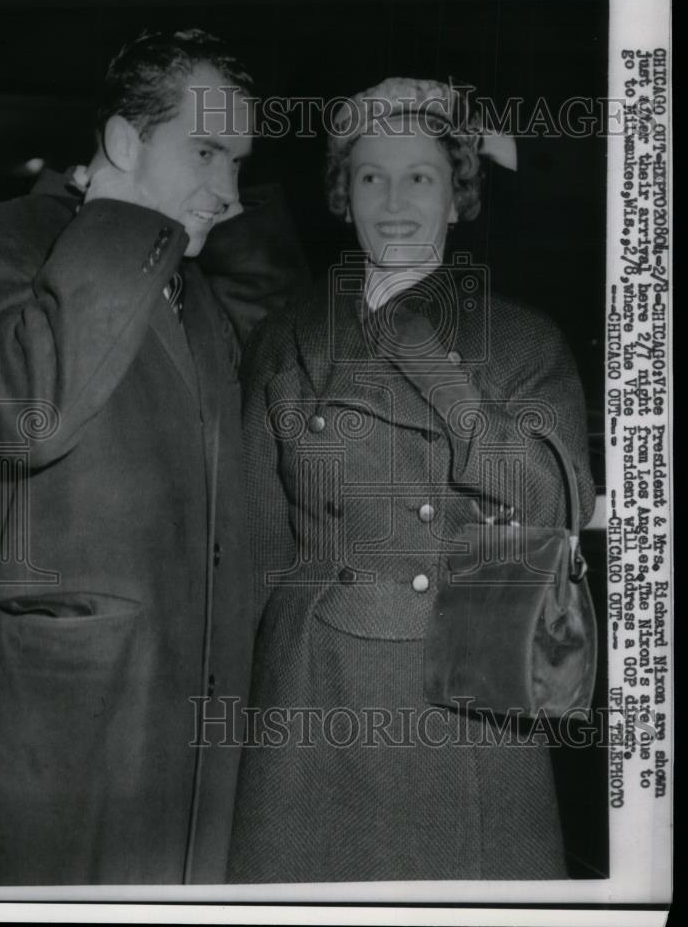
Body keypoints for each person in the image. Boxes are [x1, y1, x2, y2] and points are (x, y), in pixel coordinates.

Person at [0, 29, 307, 885]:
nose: (228, 191)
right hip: (72, 717)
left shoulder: (192, 281)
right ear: (122, 142)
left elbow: (273, 379)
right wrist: (117, 217)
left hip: (198, 704)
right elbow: (25, 419)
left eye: (238, 162)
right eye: (205, 152)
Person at [227, 77, 596, 882]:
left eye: (420, 177)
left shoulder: (523, 339)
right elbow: (253, 546)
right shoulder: (286, 336)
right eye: (371, 176)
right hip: (311, 682)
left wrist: (432, 364)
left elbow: (551, 500)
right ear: (343, 195)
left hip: (461, 685)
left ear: (458, 196)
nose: (394, 202)